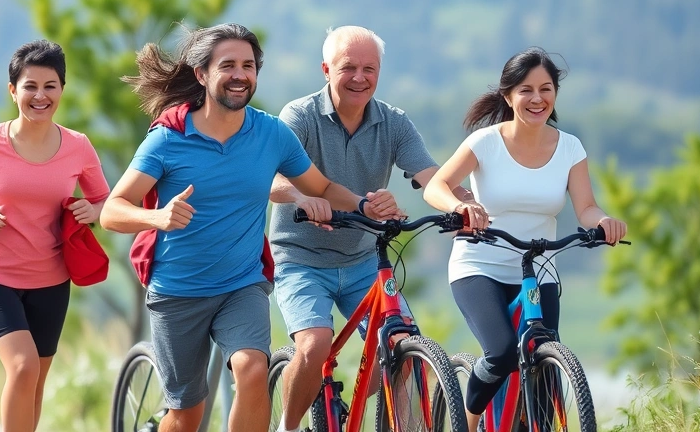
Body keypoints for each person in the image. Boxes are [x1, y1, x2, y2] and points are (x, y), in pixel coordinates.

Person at [100, 23, 390, 432]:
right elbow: (112, 210)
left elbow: (320, 185)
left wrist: (363, 204)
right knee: (186, 417)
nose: (240, 74)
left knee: (253, 370)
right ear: (202, 74)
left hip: (242, 284)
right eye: (228, 65)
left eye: (249, 65)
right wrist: (157, 217)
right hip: (178, 291)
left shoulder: (270, 133)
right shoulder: (169, 139)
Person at [268, 25, 473, 432]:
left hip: (364, 259)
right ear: (326, 69)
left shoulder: (393, 122)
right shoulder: (299, 115)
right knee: (313, 346)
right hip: (301, 259)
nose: (360, 77)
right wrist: (302, 198)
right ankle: (288, 428)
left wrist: (464, 204)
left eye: (370, 68)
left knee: (404, 354)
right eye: (348, 68)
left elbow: (430, 175)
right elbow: (271, 178)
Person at [422, 47, 627, 432]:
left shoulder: (569, 148)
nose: (537, 99)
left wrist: (605, 221)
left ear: (555, 94)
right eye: (526, 90)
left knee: (544, 372)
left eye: (546, 89)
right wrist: (461, 207)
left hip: (538, 270)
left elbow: (586, 207)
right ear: (508, 95)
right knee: (500, 354)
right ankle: (465, 424)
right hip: (478, 265)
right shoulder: (485, 142)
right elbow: (436, 186)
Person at [0, 39, 110, 432]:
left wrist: (93, 211)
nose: (40, 96)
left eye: (50, 86)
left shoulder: (78, 147)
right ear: (13, 91)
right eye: (30, 86)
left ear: (62, 90)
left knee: (36, 380)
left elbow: (106, 202)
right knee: (23, 365)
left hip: (50, 279)